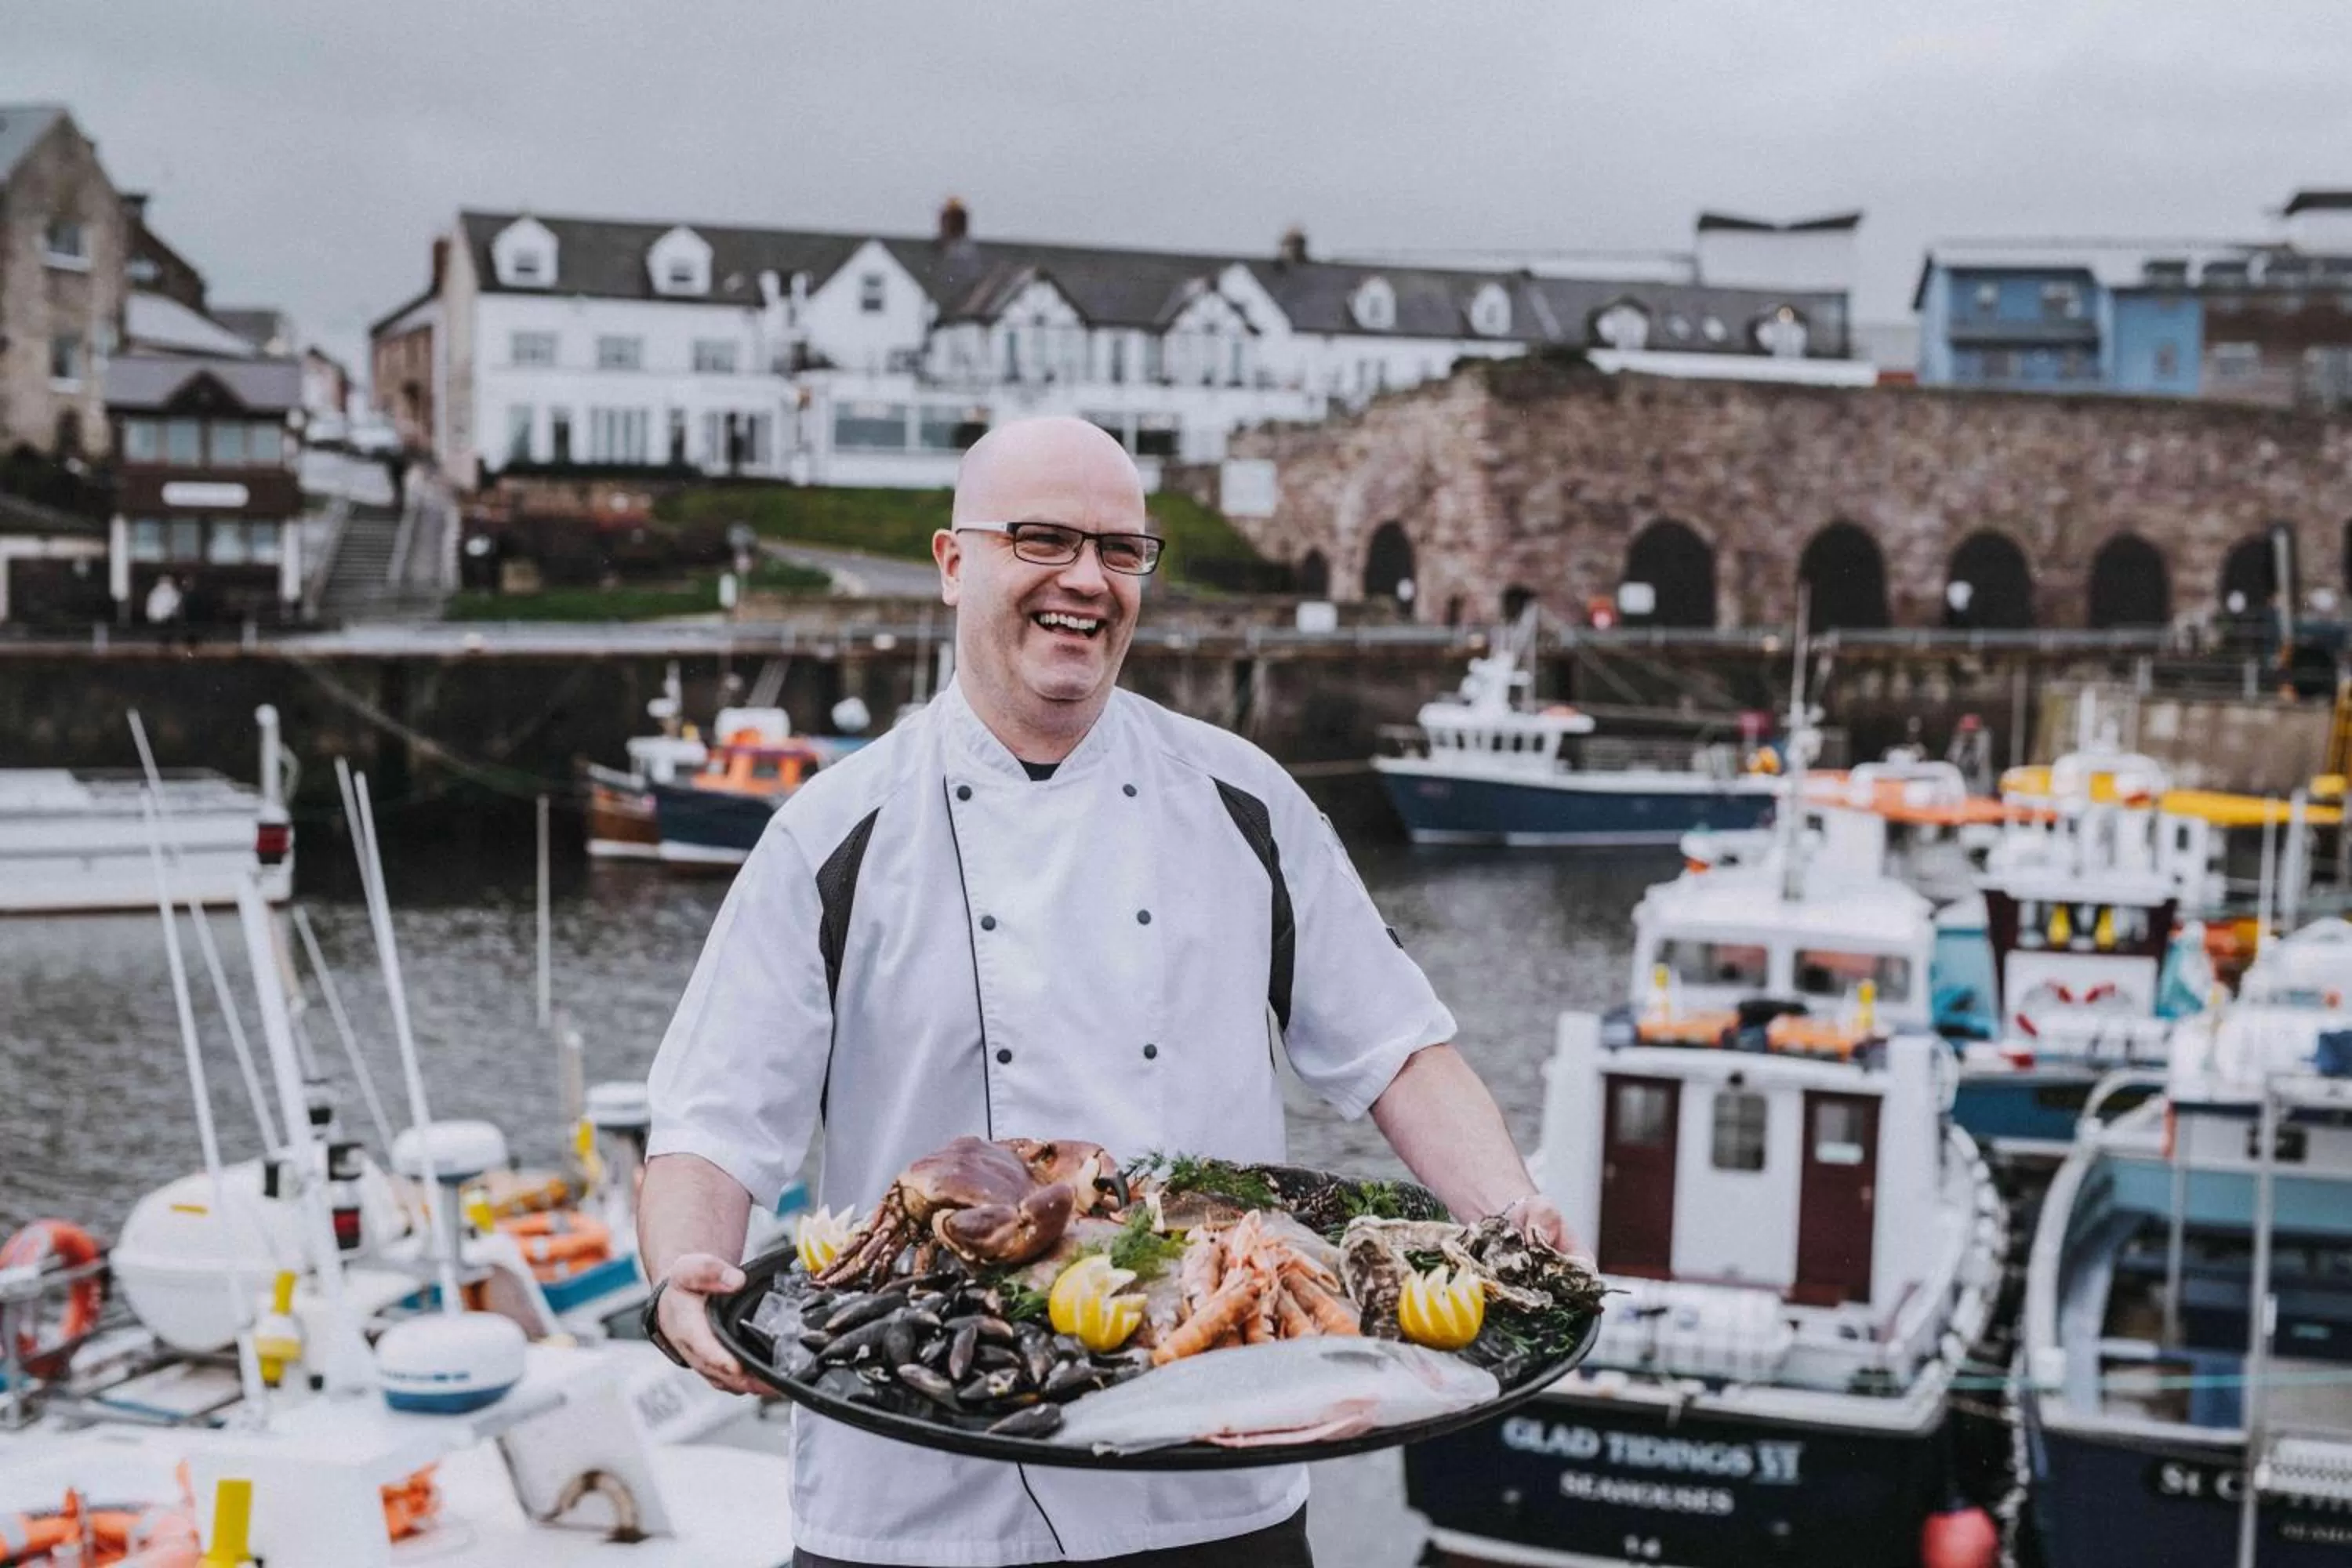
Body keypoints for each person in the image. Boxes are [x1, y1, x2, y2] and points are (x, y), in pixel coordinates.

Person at [639, 416, 1573, 1568]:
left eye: (1120, 550)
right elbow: (714, 1123)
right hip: (916, 1496)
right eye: (1043, 539)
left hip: (1211, 1479)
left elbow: (1399, 1051)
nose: (1086, 580)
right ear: (952, 563)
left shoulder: (1247, 803)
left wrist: (1513, 1213)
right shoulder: (833, 834)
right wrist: (685, 1269)